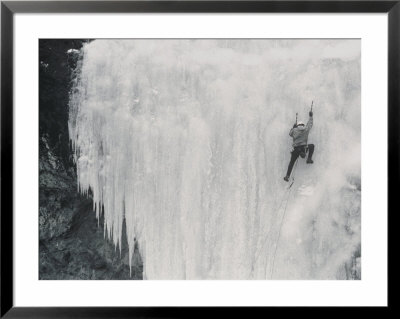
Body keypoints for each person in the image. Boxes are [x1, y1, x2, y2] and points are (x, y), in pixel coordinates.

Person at [283, 110, 315, 182]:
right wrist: (310, 116)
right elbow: (310, 124)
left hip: (296, 149)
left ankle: (287, 176)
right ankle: (308, 158)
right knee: (312, 146)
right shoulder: (306, 129)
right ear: (303, 125)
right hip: (304, 147)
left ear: (298, 125)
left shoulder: (294, 130)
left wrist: (293, 127)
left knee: (292, 162)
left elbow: (290, 134)